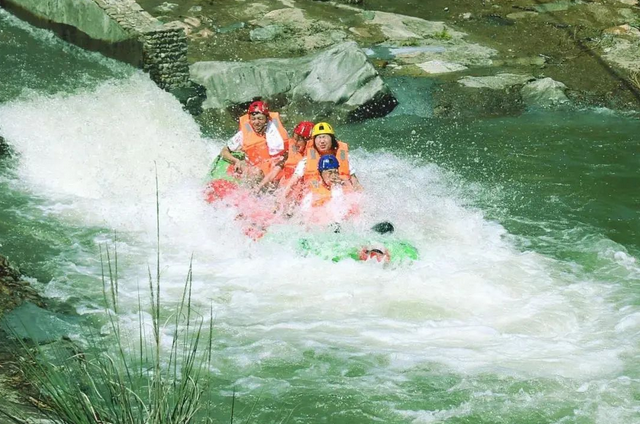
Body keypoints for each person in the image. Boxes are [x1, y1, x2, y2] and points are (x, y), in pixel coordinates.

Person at [284, 122, 362, 199]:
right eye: (319, 138)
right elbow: (292, 184)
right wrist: (280, 201)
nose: (322, 141)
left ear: (332, 139)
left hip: (337, 194)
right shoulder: (306, 161)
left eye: (325, 137)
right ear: (313, 141)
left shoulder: (343, 157)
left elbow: (356, 184)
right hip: (315, 195)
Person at [218, 100, 289, 185]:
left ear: (266, 119)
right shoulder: (243, 134)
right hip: (255, 169)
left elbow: (288, 152)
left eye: (260, 119)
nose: (256, 122)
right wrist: (236, 161)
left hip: (276, 168)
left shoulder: (277, 132)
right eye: (253, 119)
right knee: (257, 172)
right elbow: (224, 151)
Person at [298, 154, 361, 226]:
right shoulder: (314, 184)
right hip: (318, 220)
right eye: (330, 173)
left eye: (335, 172)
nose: (333, 176)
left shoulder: (342, 184)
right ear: (320, 173)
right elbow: (307, 209)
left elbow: (354, 199)